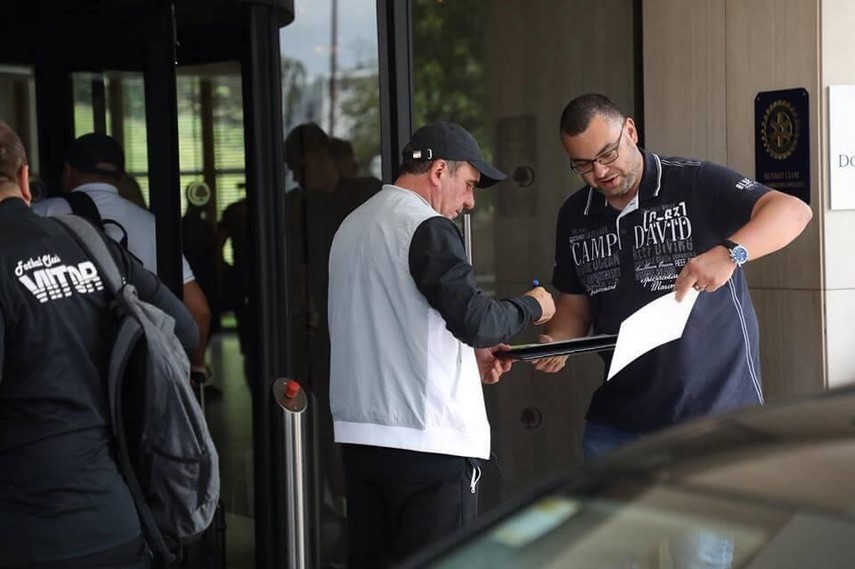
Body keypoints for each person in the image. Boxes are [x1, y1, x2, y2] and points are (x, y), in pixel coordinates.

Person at [328, 121, 556, 568]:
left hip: (361, 441)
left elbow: (394, 317)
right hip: (428, 442)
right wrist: (532, 306)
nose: (470, 202)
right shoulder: (425, 226)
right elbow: (478, 320)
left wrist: (470, 355)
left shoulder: (352, 225)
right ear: (438, 172)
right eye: (468, 184)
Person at [536, 93, 813, 459]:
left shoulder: (693, 182)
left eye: (607, 154)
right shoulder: (574, 214)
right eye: (583, 165)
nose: (600, 172)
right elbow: (575, 305)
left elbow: (793, 211)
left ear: (630, 131)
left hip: (715, 416)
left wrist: (729, 253)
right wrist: (557, 342)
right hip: (617, 423)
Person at [0, 120, 198, 568]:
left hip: (24, 535)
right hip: (116, 522)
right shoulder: (89, 243)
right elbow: (182, 330)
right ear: (25, 179)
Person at [33, 133, 212, 387]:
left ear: (68, 171)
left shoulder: (39, 217)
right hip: (137, 375)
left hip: (59, 373)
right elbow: (199, 310)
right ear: (120, 178)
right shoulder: (152, 226)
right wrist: (195, 366)